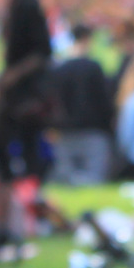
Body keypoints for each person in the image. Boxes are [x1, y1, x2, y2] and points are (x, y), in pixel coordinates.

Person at [0, 0, 55, 232]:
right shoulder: (16, 3)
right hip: (16, 94)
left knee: (28, 152)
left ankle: (29, 212)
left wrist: (9, 78)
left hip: (28, 95)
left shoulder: (28, 3)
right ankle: (15, 210)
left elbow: (42, 52)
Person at [49, 23, 115, 186]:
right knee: (93, 179)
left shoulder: (59, 69)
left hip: (65, 133)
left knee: (68, 180)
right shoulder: (94, 68)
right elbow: (104, 101)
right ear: (87, 40)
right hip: (93, 133)